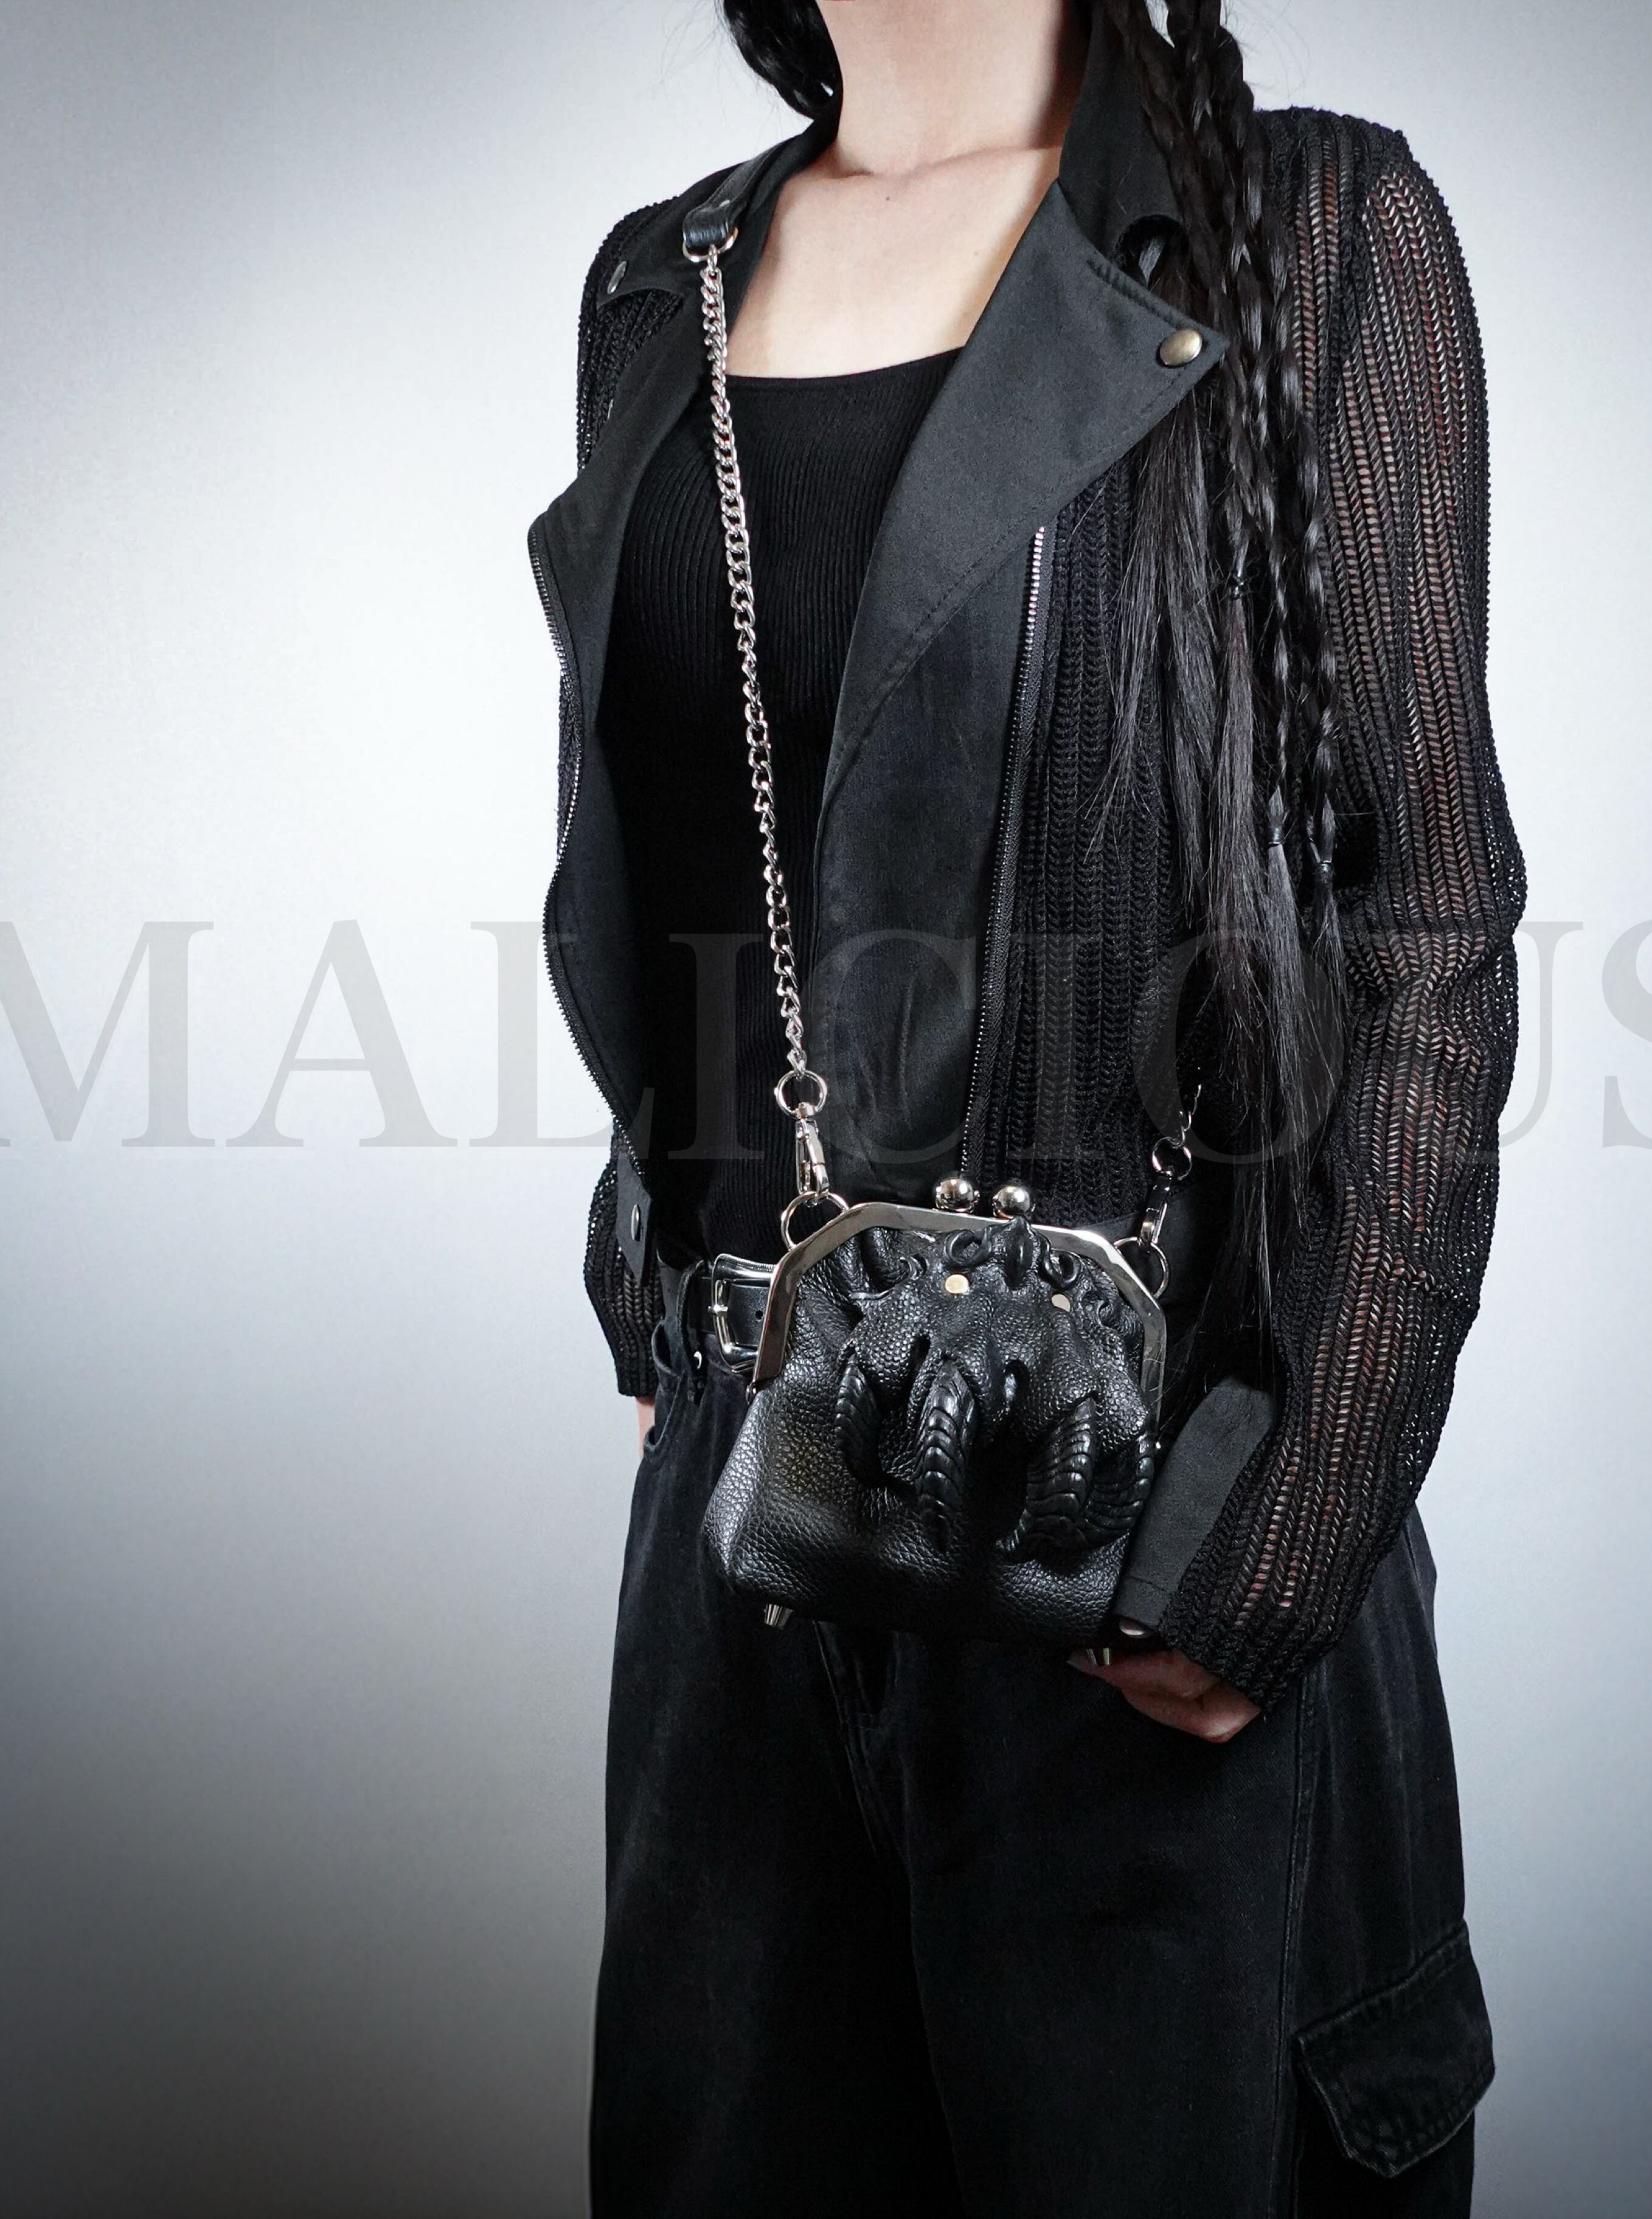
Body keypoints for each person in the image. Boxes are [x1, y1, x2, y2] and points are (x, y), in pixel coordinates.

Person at [526, 1, 1526, 2210]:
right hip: (748, 1543)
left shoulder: (1308, 229)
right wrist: (662, 1298)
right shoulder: (657, 285)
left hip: (1149, 1523)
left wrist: (1296, 1520)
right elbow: (676, 848)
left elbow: (1430, 924)